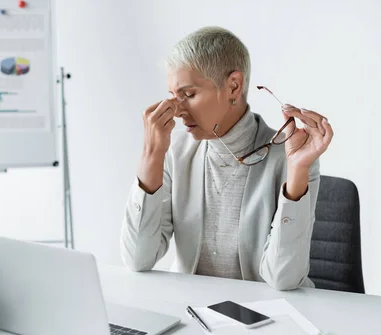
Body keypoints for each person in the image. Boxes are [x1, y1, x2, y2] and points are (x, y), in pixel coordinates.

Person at [120, 26, 333, 290]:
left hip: (268, 317)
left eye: (188, 95)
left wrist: (298, 171)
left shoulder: (290, 157)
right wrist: (150, 155)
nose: (177, 111)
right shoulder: (175, 153)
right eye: (174, 97)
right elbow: (137, 259)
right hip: (193, 312)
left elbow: (283, 279)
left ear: (233, 86)